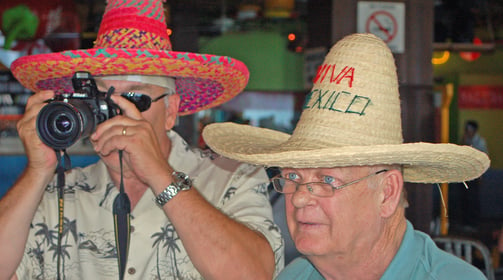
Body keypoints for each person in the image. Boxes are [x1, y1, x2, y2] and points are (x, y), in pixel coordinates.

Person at [0, 0, 283, 279]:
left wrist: (160, 175)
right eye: (101, 98)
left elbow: (254, 274)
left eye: (135, 99)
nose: (118, 114)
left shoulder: (232, 177)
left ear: (170, 110)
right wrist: (38, 171)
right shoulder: (55, 192)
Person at [202, 33, 491, 279]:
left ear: (387, 193)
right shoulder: (296, 275)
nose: (300, 197)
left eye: (327, 179)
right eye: (292, 177)